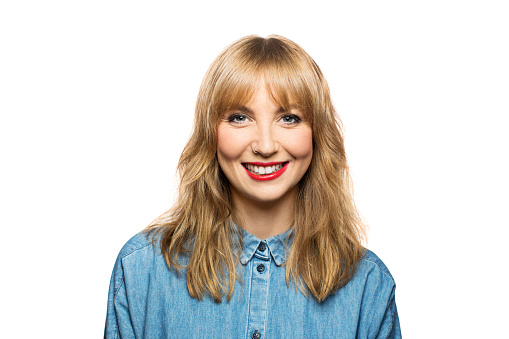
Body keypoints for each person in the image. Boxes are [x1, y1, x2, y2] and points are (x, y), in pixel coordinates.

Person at [104, 35, 401, 339]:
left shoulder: (368, 285)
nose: (265, 145)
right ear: (211, 132)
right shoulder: (143, 270)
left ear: (317, 135)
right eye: (239, 117)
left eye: (289, 118)